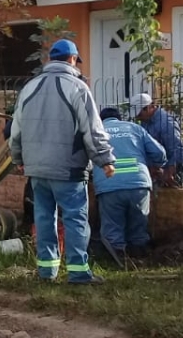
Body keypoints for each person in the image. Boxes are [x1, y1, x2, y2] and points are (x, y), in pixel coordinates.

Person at [9, 39, 116, 284]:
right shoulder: (77, 87)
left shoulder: (29, 87)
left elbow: (17, 130)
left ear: (50, 60)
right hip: (68, 167)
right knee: (74, 217)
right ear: (72, 59)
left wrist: (18, 158)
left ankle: (47, 271)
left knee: (44, 217)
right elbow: (93, 128)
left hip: (37, 168)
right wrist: (105, 159)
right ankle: (78, 272)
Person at [94, 107, 167, 258]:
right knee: (138, 226)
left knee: (112, 227)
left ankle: (117, 259)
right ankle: (139, 257)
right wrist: (157, 165)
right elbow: (159, 153)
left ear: (101, 120)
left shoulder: (96, 132)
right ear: (119, 118)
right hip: (138, 183)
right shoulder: (134, 128)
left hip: (109, 184)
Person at [129, 92, 183, 187]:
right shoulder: (145, 122)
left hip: (171, 176)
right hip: (157, 175)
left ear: (148, 108)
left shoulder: (166, 123)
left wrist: (170, 172)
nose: (138, 117)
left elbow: (177, 148)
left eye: (140, 114)